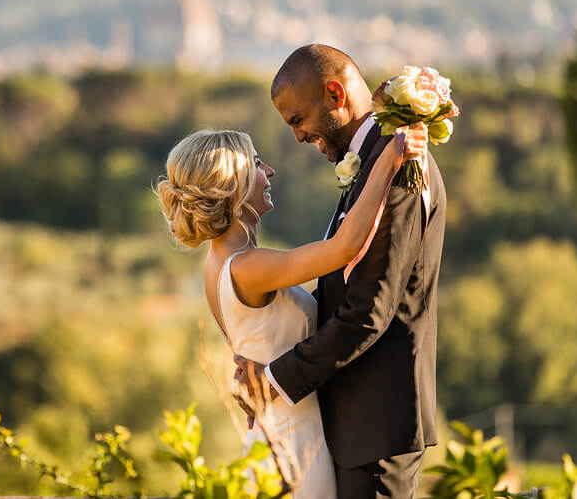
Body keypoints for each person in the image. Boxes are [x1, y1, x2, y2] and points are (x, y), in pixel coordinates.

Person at [156, 116, 428, 498]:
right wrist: (389, 157)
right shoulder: (249, 267)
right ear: (231, 182)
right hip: (292, 443)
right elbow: (344, 247)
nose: (269, 171)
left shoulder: (218, 264)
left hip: (277, 434)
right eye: (255, 163)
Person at [234, 44, 447, 499]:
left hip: (377, 426)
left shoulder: (400, 163)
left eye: (297, 120)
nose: (296, 136)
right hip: (353, 422)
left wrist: (273, 380)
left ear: (335, 94)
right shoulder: (373, 161)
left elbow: (369, 311)